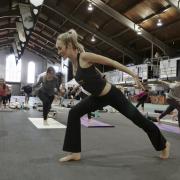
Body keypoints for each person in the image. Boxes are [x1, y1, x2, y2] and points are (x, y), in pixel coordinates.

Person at [56, 29, 170, 162]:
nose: (58, 52)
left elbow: (112, 63)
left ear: (69, 46)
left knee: (139, 120)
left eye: (60, 48)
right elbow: (92, 73)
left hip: (113, 95)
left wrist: (133, 75)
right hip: (97, 98)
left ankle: (164, 144)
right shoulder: (73, 63)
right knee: (74, 113)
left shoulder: (85, 57)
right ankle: (75, 153)